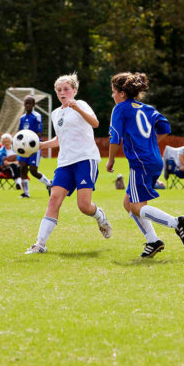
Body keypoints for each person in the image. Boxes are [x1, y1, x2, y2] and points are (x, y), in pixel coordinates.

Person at [106, 72, 184, 258]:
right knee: (128, 202)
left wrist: (111, 159)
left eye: (113, 92)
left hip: (140, 163)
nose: (112, 96)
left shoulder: (120, 109)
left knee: (136, 207)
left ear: (121, 93)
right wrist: (149, 143)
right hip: (155, 160)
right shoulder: (147, 108)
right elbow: (165, 127)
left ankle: (175, 222)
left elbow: (115, 138)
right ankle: (153, 241)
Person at [25, 73, 111, 254]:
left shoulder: (82, 105)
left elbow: (96, 123)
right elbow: (59, 139)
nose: (62, 92)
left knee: (84, 206)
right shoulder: (56, 113)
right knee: (53, 199)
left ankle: (100, 216)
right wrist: (40, 145)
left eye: (66, 89)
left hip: (85, 159)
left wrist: (77, 108)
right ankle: (40, 244)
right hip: (64, 162)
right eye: (59, 90)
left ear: (74, 90)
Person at [16, 95, 53, 197]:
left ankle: (49, 184)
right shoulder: (22, 118)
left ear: (33, 104)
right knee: (22, 167)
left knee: (33, 171)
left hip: (34, 147)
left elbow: (38, 133)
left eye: (29, 103)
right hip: (23, 148)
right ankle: (26, 193)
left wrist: (31, 142)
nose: (27, 105)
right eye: (26, 103)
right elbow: (20, 133)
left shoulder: (37, 116)